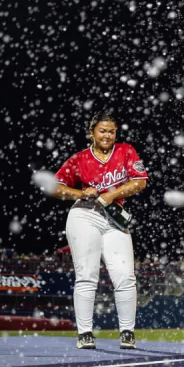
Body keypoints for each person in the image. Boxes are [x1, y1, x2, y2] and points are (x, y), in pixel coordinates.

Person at [48, 112, 148, 350]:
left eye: (111, 131)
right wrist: (80, 193)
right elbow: (55, 186)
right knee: (87, 275)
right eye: (102, 130)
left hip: (114, 216)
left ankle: (127, 332)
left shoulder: (126, 151)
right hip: (85, 214)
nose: (107, 135)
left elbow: (140, 181)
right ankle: (84, 333)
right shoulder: (80, 158)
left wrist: (111, 194)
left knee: (125, 276)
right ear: (92, 131)